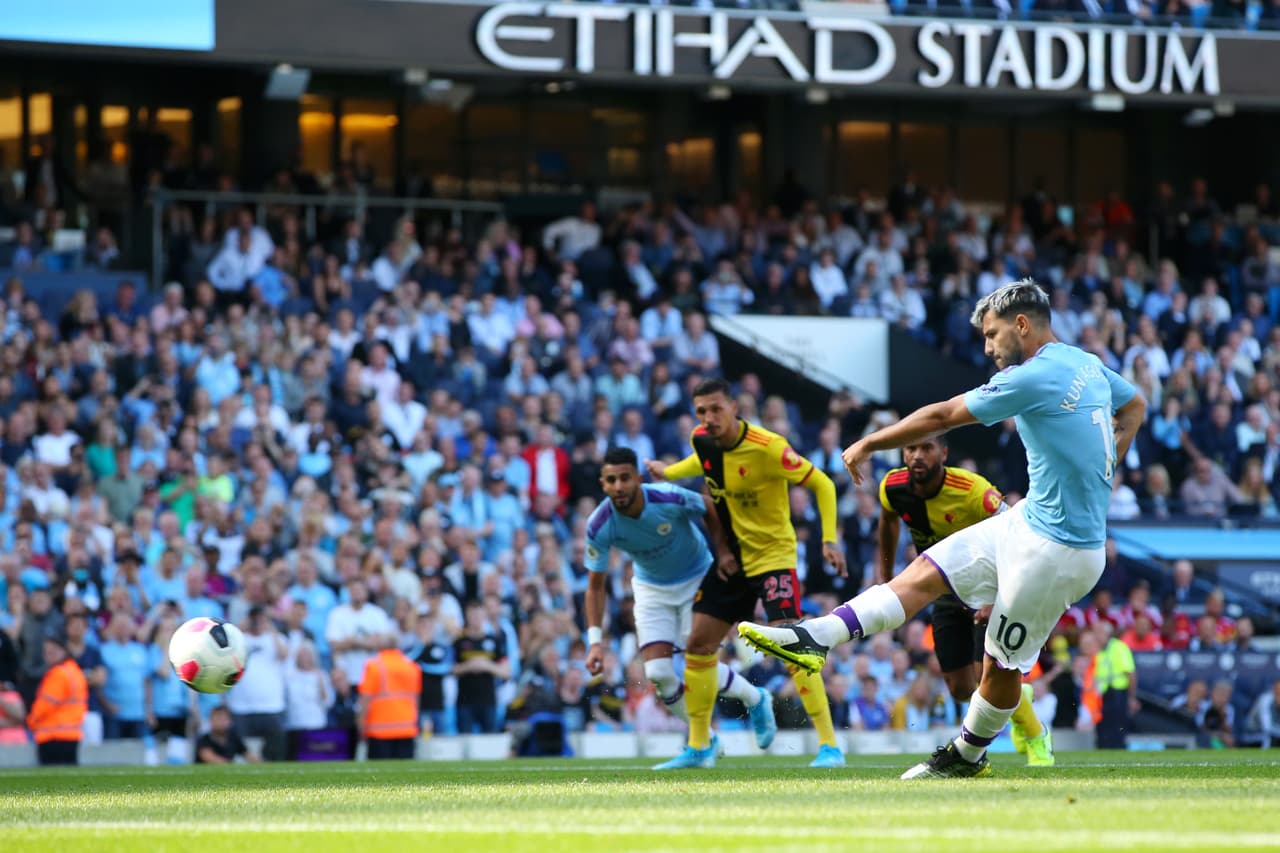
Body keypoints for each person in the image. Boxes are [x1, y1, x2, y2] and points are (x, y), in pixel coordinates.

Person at [739, 280, 1147, 778]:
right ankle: (815, 637)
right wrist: (1104, 468)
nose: (988, 347)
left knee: (1000, 669)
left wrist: (869, 441)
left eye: (992, 335)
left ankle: (967, 756)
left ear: (1021, 325)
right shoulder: (1084, 363)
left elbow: (943, 416)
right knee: (926, 573)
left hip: (1059, 552)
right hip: (1028, 520)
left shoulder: (1032, 377)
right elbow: (1135, 405)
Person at [648, 378, 848, 768]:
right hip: (734, 559)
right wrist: (669, 472)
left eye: (716, 409)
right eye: (701, 411)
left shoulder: (768, 448)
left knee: (791, 645)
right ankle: (700, 746)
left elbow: (822, 483)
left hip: (775, 557)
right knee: (699, 645)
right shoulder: (701, 440)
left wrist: (829, 539)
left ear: (735, 407)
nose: (708, 418)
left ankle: (829, 746)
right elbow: (702, 465)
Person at [582, 447, 777, 769]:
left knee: (696, 661)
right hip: (650, 589)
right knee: (658, 674)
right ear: (603, 483)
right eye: (611, 480)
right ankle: (705, 740)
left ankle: (753, 700)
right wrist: (594, 642)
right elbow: (594, 586)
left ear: (638, 479)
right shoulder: (600, 523)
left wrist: (724, 551)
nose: (618, 486)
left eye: (625, 478)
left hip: (697, 578)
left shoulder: (667, 498)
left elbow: (708, 507)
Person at [875, 435, 1051, 766]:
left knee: (987, 675)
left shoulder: (973, 491)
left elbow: (1015, 532)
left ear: (944, 452)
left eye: (926, 447)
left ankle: (1035, 733)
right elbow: (887, 519)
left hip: (985, 588)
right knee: (959, 687)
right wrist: (885, 576)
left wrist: (998, 595)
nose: (917, 455)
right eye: (911, 448)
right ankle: (1018, 699)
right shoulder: (892, 487)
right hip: (945, 588)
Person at [27, 629, 88, 765]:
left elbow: (46, 704)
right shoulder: (75, 671)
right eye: (47, 652)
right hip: (72, 734)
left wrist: (32, 720)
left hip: (52, 735)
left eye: (52, 652)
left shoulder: (57, 674)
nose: (48, 656)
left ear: (63, 651)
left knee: (50, 781)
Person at [357, 636, 422, 760]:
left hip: (379, 730)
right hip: (406, 728)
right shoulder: (412, 666)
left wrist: (360, 724)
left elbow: (365, 699)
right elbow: (416, 699)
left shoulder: (374, 666)